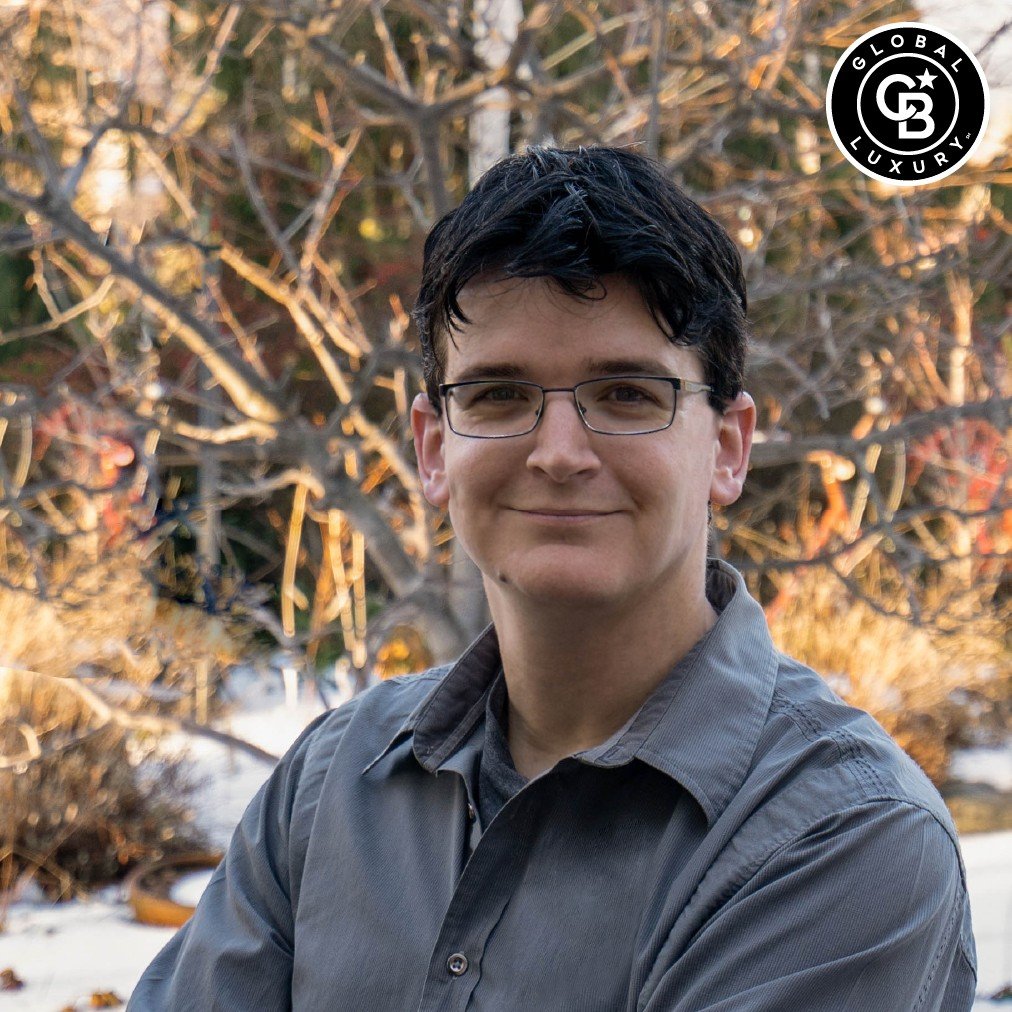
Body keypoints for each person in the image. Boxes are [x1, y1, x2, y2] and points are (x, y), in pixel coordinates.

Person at [130, 146, 976, 1011]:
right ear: (433, 448)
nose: (560, 454)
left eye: (627, 395)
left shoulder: (844, 837)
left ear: (727, 448)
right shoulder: (330, 786)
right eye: (498, 396)